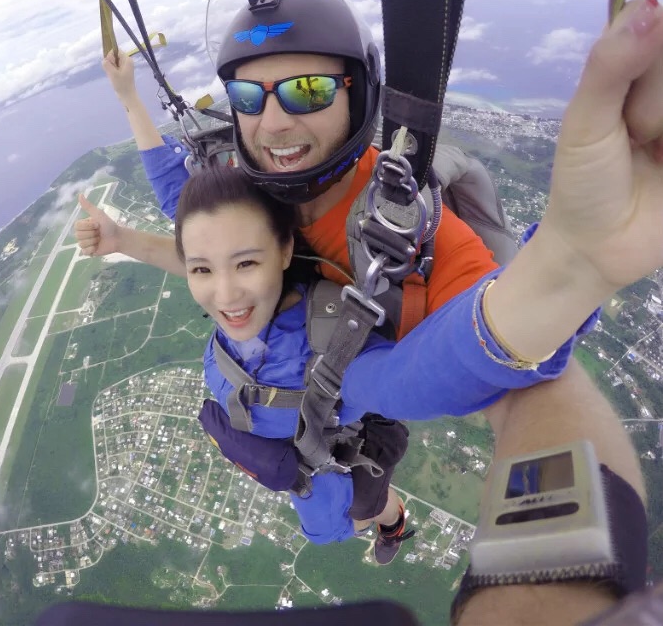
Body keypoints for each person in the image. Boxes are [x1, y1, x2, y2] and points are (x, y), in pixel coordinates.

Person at [77, 0, 662, 584]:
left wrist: (571, 267)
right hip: (268, 422)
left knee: (347, 513)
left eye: (309, 89)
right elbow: (182, 206)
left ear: (359, 92)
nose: (272, 122)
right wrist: (128, 106)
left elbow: (520, 381)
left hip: (333, 434)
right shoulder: (247, 197)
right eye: (248, 97)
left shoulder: (414, 235)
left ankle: (393, 522)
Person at [157, 161, 596, 561]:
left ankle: (392, 524)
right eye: (201, 270)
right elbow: (181, 216)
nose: (225, 295)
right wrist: (132, 112)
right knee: (323, 529)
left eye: (246, 263)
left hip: (344, 455)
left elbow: (407, 380)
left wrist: (542, 298)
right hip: (292, 463)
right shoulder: (242, 308)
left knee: (361, 512)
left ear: (285, 251)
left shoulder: (330, 346)